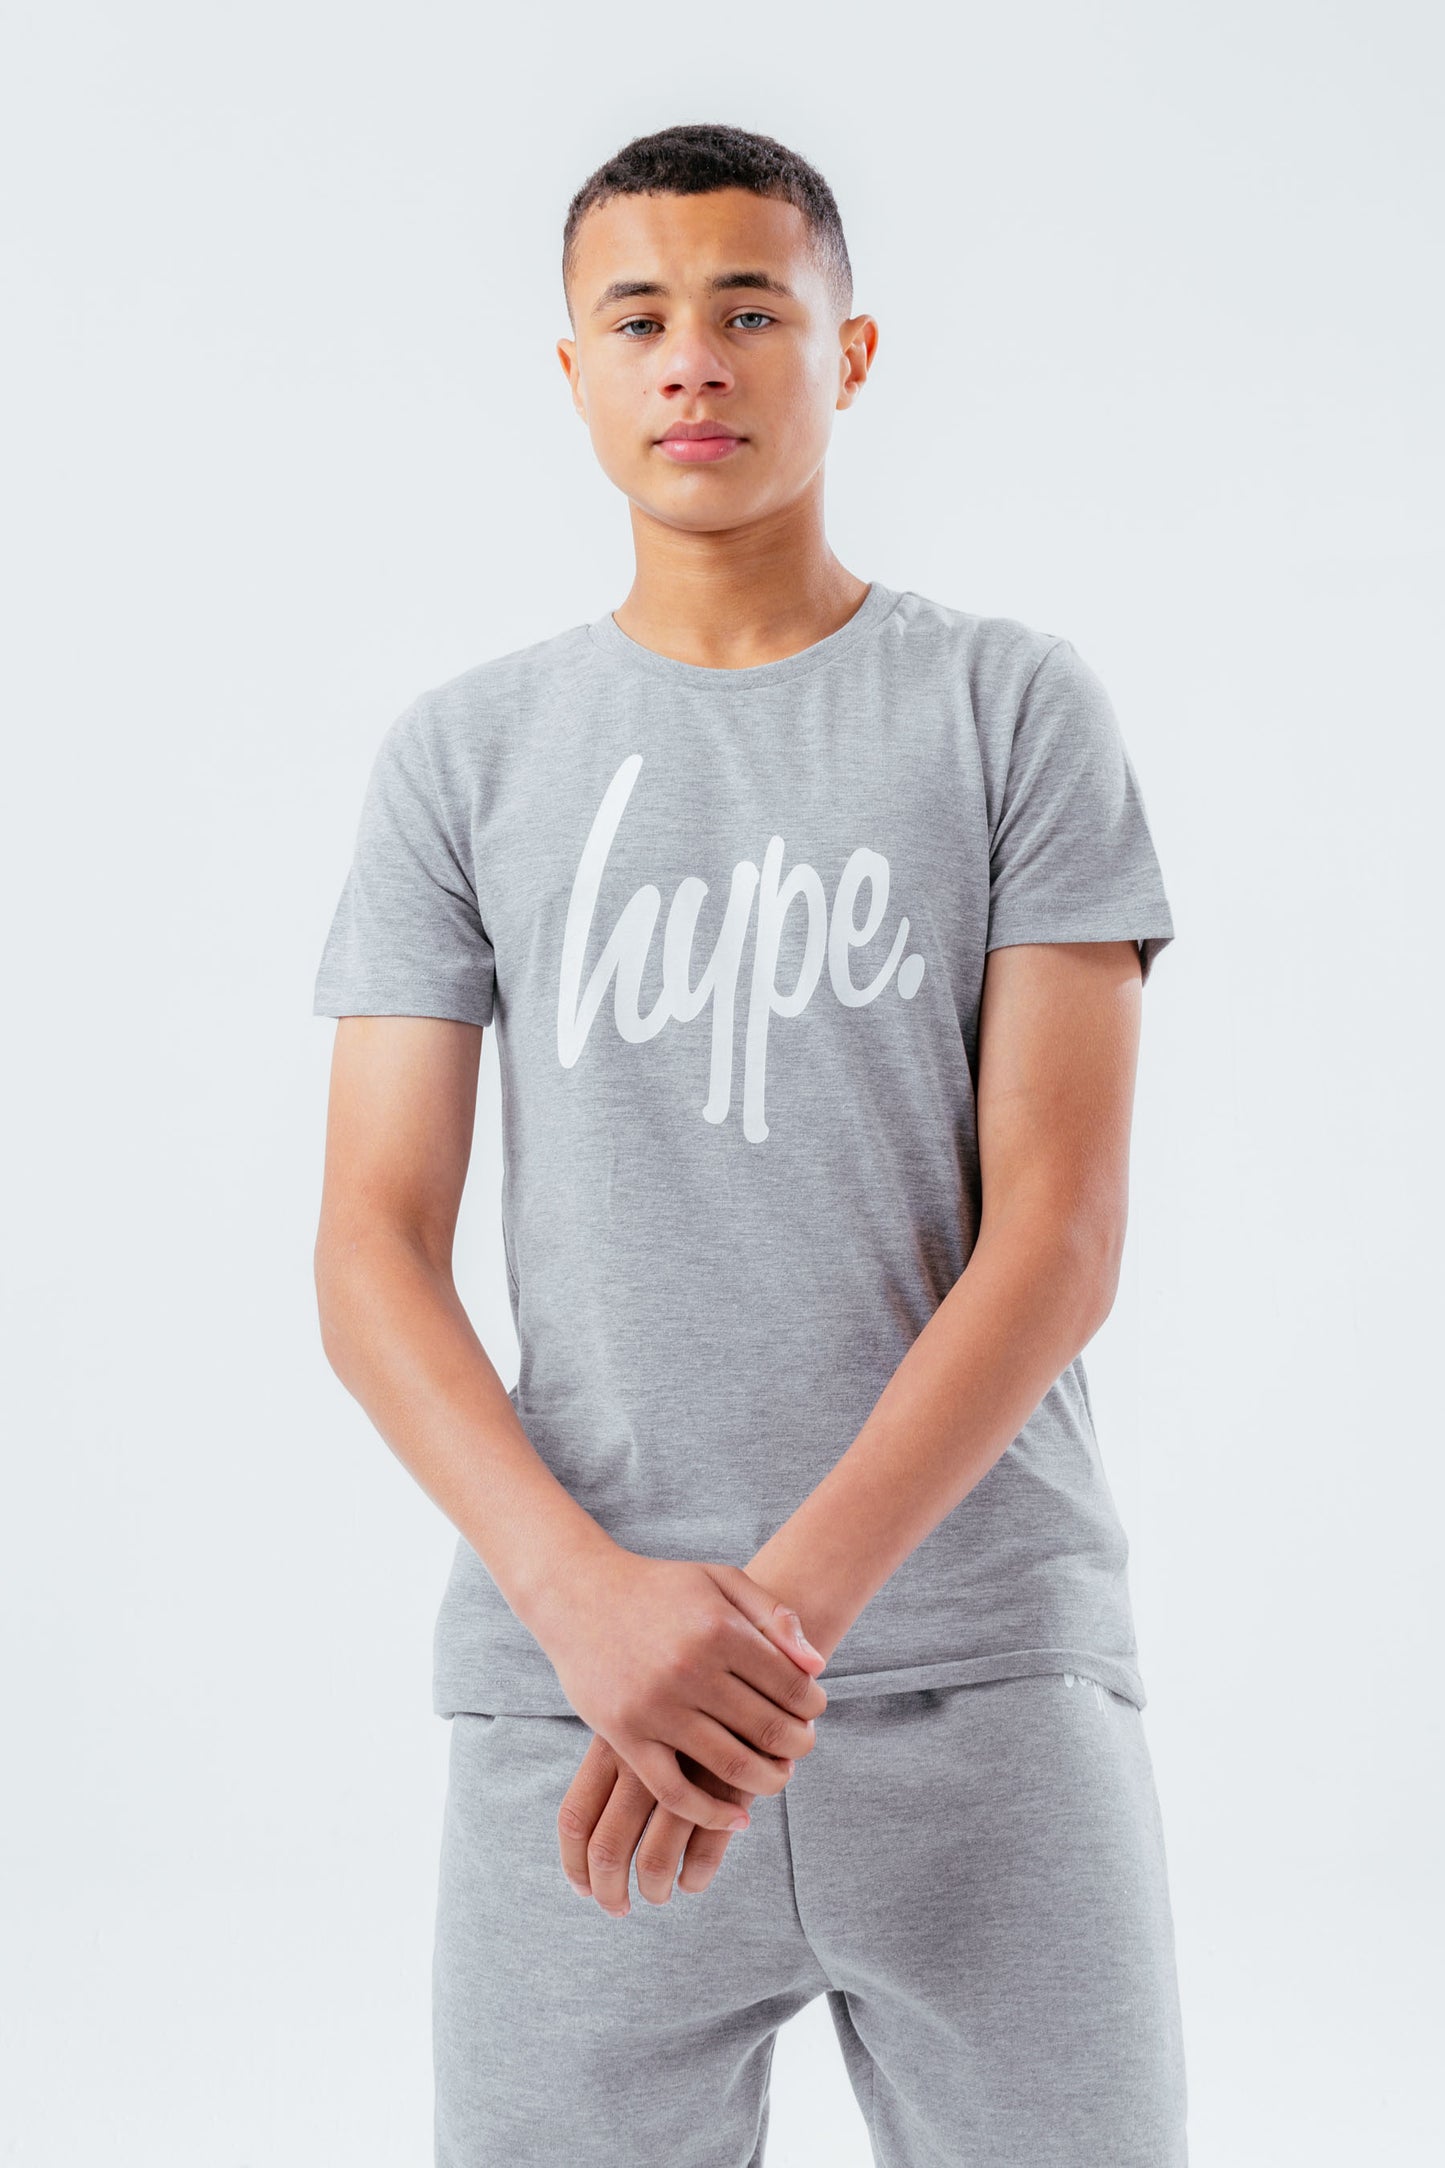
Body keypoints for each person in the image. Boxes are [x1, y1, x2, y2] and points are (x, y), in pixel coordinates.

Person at [312, 119, 1189, 2168]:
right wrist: (595, 1609)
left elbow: (1058, 1234)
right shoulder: (463, 758)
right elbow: (368, 1249)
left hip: (986, 1688)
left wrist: (761, 1637)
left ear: (848, 352)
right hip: (578, 1706)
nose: (691, 359)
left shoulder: (1009, 710)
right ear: (574, 371)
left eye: (749, 310)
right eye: (637, 319)